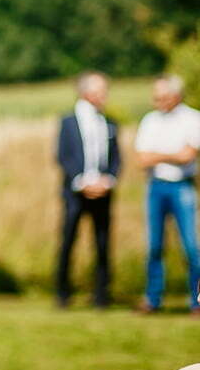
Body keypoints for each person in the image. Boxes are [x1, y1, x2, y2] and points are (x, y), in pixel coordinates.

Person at [134, 74, 200, 315]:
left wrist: (158, 155)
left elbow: (188, 155)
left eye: (162, 97)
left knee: (192, 247)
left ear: (176, 96)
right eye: (155, 98)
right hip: (156, 187)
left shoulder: (193, 119)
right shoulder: (150, 121)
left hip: (182, 186)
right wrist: (172, 154)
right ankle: (152, 299)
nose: (157, 102)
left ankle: (197, 301)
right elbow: (142, 158)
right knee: (154, 246)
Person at [55, 70, 121, 308]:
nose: (105, 95)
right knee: (68, 241)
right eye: (100, 90)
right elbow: (63, 156)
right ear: (86, 92)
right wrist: (82, 181)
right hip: (75, 192)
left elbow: (116, 159)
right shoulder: (68, 121)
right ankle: (62, 292)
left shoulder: (110, 122)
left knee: (103, 243)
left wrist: (108, 180)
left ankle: (102, 293)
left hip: (103, 191)